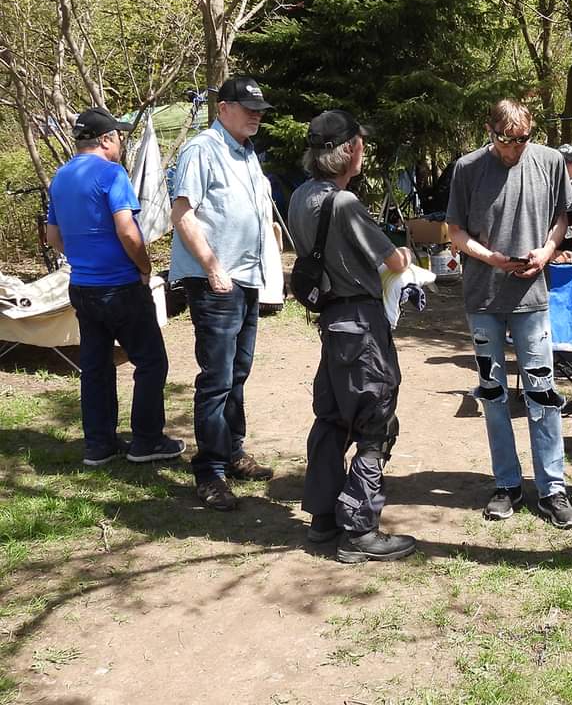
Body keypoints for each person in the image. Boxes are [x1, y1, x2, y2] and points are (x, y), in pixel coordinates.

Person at [289, 110, 417, 563]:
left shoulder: (300, 196)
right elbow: (395, 262)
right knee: (374, 423)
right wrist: (402, 251)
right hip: (361, 325)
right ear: (351, 150)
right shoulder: (343, 204)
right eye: (361, 142)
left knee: (330, 418)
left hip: (331, 324)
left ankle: (322, 518)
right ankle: (360, 531)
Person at [446, 98, 572, 528]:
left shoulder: (549, 161)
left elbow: (561, 218)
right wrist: (492, 258)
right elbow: (455, 233)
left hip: (533, 299)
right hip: (483, 298)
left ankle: (553, 489)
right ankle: (506, 485)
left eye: (522, 139)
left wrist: (547, 250)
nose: (514, 148)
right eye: (506, 140)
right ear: (490, 131)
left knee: (542, 393)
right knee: (494, 394)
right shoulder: (467, 168)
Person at [45, 107, 185, 466]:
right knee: (151, 362)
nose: (122, 141)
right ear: (106, 139)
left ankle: (98, 445)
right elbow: (126, 229)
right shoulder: (111, 173)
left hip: (82, 287)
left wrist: (84, 257)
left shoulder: (60, 177)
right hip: (119, 286)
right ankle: (146, 441)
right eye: (119, 135)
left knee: (95, 366)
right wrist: (144, 267)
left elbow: (53, 237)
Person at [169, 76, 276, 511]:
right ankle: (209, 471)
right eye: (247, 107)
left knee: (239, 369)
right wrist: (213, 268)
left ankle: (233, 451)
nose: (256, 115)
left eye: (260, 110)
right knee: (216, 376)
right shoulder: (202, 149)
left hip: (245, 279)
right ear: (223, 107)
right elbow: (182, 213)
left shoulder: (246, 152)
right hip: (216, 280)